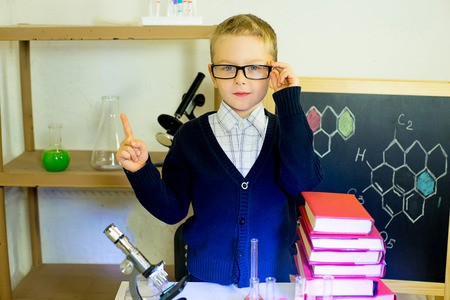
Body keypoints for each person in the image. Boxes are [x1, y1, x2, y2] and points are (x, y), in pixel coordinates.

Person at [116, 14, 323, 287]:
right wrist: (141, 171)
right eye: (227, 68)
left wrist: (287, 101)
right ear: (213, 73)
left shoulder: (290, 132)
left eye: (254, 68)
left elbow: (303, 184)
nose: (240, 80)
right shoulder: (189, 136)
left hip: (275, 283)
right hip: (205, 281)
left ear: (272, 72)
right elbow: (172, 209)